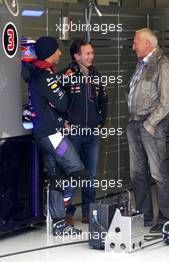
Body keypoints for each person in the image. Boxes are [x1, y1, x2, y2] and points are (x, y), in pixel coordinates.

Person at [22, 36, 89, 236]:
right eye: (57, 50)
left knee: (55, 177)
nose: (60, 53)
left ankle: (58, 222)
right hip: (52, 136)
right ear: (50, 53)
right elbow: (63, 103)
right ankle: (60, 210)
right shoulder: (45, 75)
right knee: (77, 170)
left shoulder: (39, 72)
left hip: (48, 133)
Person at [127, 28, 169, 233]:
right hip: (134, 124)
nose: (133, 45)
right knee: (137, 174)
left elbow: (167, 101)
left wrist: (150, 123)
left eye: (136, 41)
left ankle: (165, 219)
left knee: (158, 174)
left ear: (147, 43)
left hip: (151, 126)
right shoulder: (142, 64)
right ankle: (144, 217)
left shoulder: (162, 64)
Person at [60, 39, 108, 223]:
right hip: (72, 135)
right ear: (76, 56)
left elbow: (104, 101)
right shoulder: (65, 75)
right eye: (87, 53)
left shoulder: (97, 75)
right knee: (70, 172)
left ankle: (89, 212)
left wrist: (100, 123)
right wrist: (63, 121)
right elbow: (55, 103)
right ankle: (67, 212)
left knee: (90, 174)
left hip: (92, 134)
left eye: (92, 53)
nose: (91, 56)